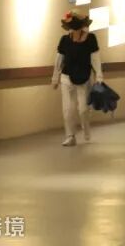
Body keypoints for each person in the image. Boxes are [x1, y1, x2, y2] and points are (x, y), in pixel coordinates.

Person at [52, 10, 103, 146]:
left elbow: (95, 58)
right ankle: (70, 136)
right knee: (68, 109)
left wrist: (99, 76)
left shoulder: (91, 39)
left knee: (83, 109)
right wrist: (55, 78)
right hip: (67, 77)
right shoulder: (65, 40)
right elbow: (59, 59)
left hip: (84, 77)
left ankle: (86, 128)